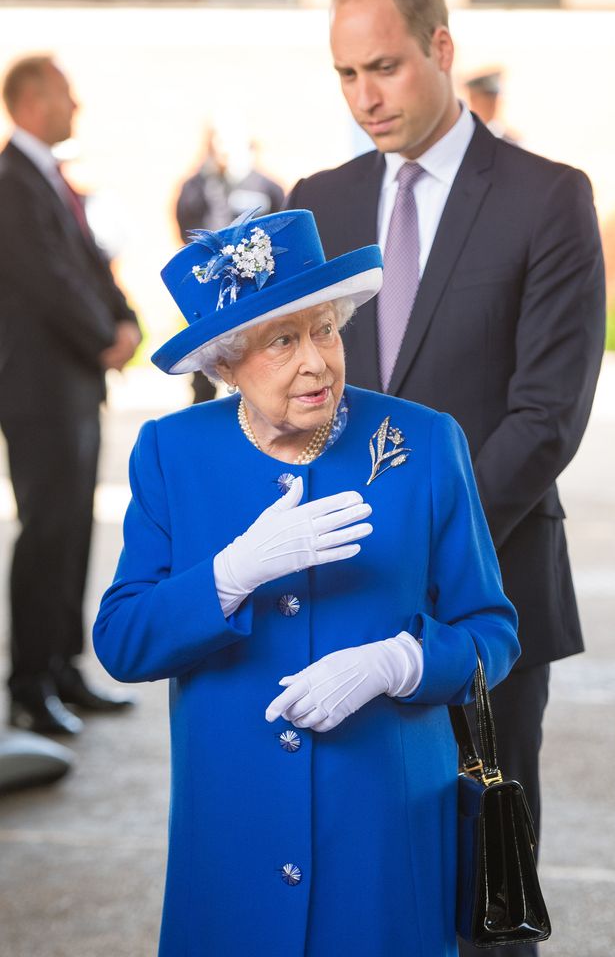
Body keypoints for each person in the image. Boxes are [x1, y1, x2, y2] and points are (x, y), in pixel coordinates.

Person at [285, 0, 606, 956]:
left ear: (441, 49)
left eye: (382, 66)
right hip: (335, 593)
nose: (364, 97)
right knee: (356, 873)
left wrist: (420, 550)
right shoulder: (317, 203)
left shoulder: (547, 198)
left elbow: (545, 417)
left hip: (488, 592)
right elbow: (289, 394)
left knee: (482, 889)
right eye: (344, 74)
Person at [93, 208, 520, 955]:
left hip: (387, 835)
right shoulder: (172, 452)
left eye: (324, 329)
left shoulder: (422, 442)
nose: (316, 361)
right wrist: (228, 575)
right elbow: (124, 643)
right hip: (233, 832)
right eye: (281, 341)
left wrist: (400, 663)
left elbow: (492, 635)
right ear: (225, 362)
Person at [0, 55, 141, 736]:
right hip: (36, 388)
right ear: (30, 101)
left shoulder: (54, 180)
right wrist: (101, 337)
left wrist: (127, 321)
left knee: (76, 530)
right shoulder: (10, 181)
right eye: (65, 95)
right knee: (47, 530)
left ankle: (63, 668)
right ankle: (29, 682)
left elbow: (91, 263)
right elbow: (47, 278)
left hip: (74, 384)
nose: (75, 107)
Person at [176, 122, 284, 403]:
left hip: (257, 290)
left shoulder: (266, 186)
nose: (224, 149)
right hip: (211, 288)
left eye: (231, 141)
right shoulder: (197, 186)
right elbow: (184, 230)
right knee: (206, 362)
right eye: (219, 142)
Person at [463, 69, 521, 144]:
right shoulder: (465, 137)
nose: (491, 105)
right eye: (486, 99)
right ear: (473, 99)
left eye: (494, 98)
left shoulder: (512, 141)